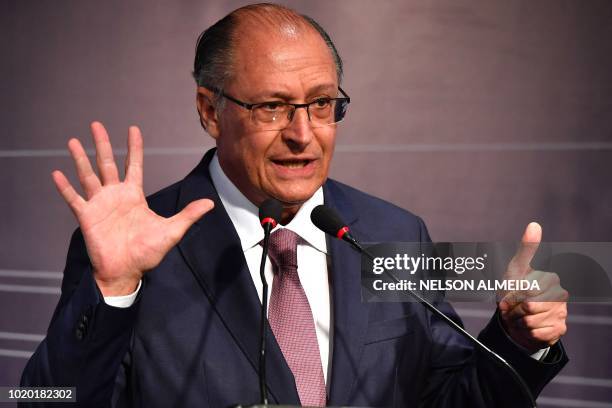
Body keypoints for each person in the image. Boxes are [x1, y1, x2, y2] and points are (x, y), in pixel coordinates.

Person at [21, 3, 568, 407]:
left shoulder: (391, 231)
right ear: (211, 112)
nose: (303, 135)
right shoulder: (139, 249)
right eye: (273, 108)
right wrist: (115, 293)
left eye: (322, 104)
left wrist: (516, 341)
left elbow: (451, 399)